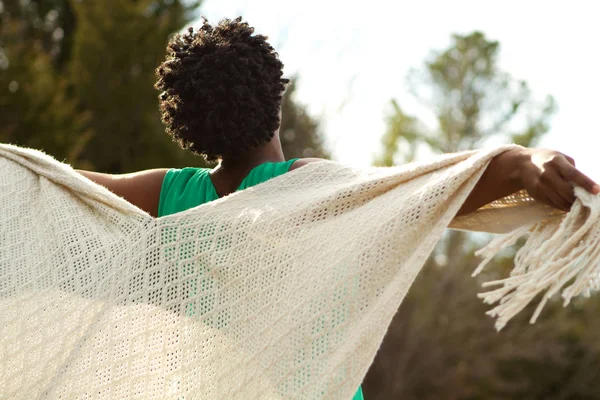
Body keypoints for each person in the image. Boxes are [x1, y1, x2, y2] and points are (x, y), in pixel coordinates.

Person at [76, 17, 599, 400]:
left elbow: (59, 185)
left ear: (184, 125)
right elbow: (433, 189)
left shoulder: (166, 195)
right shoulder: (308, 189)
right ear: (275, 100)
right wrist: (526, 162)